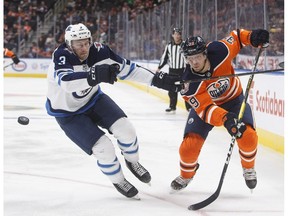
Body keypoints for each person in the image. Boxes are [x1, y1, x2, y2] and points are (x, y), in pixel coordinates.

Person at [45, 23, 181, 199]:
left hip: (93, 100)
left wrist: (157, 80)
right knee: (104, 149)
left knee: (127, 130)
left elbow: (128, 69)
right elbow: (67, 82)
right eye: (79, 44)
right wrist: (93, 75)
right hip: (68, 113)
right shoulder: (62, 55)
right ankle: (118, 179)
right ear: (70, 44)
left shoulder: (100, 51)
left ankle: (132, 162)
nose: (84, 47)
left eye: (86, 42)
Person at [170, 29, 269, 192]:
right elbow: (206, 109)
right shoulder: (188, 84)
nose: (194, 62)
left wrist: (252, 37)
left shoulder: (220, 50)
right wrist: (226, 119)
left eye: (198, 57)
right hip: (208, 108)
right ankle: (187, 174)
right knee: (188, 148)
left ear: (205, 53)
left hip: (234, 101)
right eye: (190, 58)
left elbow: (237, 37)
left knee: (248, 136)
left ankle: (248, 168)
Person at [156, 28, 191, 113]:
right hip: (172, 71)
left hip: (182, 70)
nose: (177, 36)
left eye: (178, 34)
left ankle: (189, 107)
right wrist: (159, 67)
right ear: (172, 35)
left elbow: (188, 57)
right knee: (171, 89)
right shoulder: (169, 46)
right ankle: (172, 107)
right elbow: (164, 58)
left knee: (185, 89)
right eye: (175, 34)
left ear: (180, 35)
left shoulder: (184, 45)